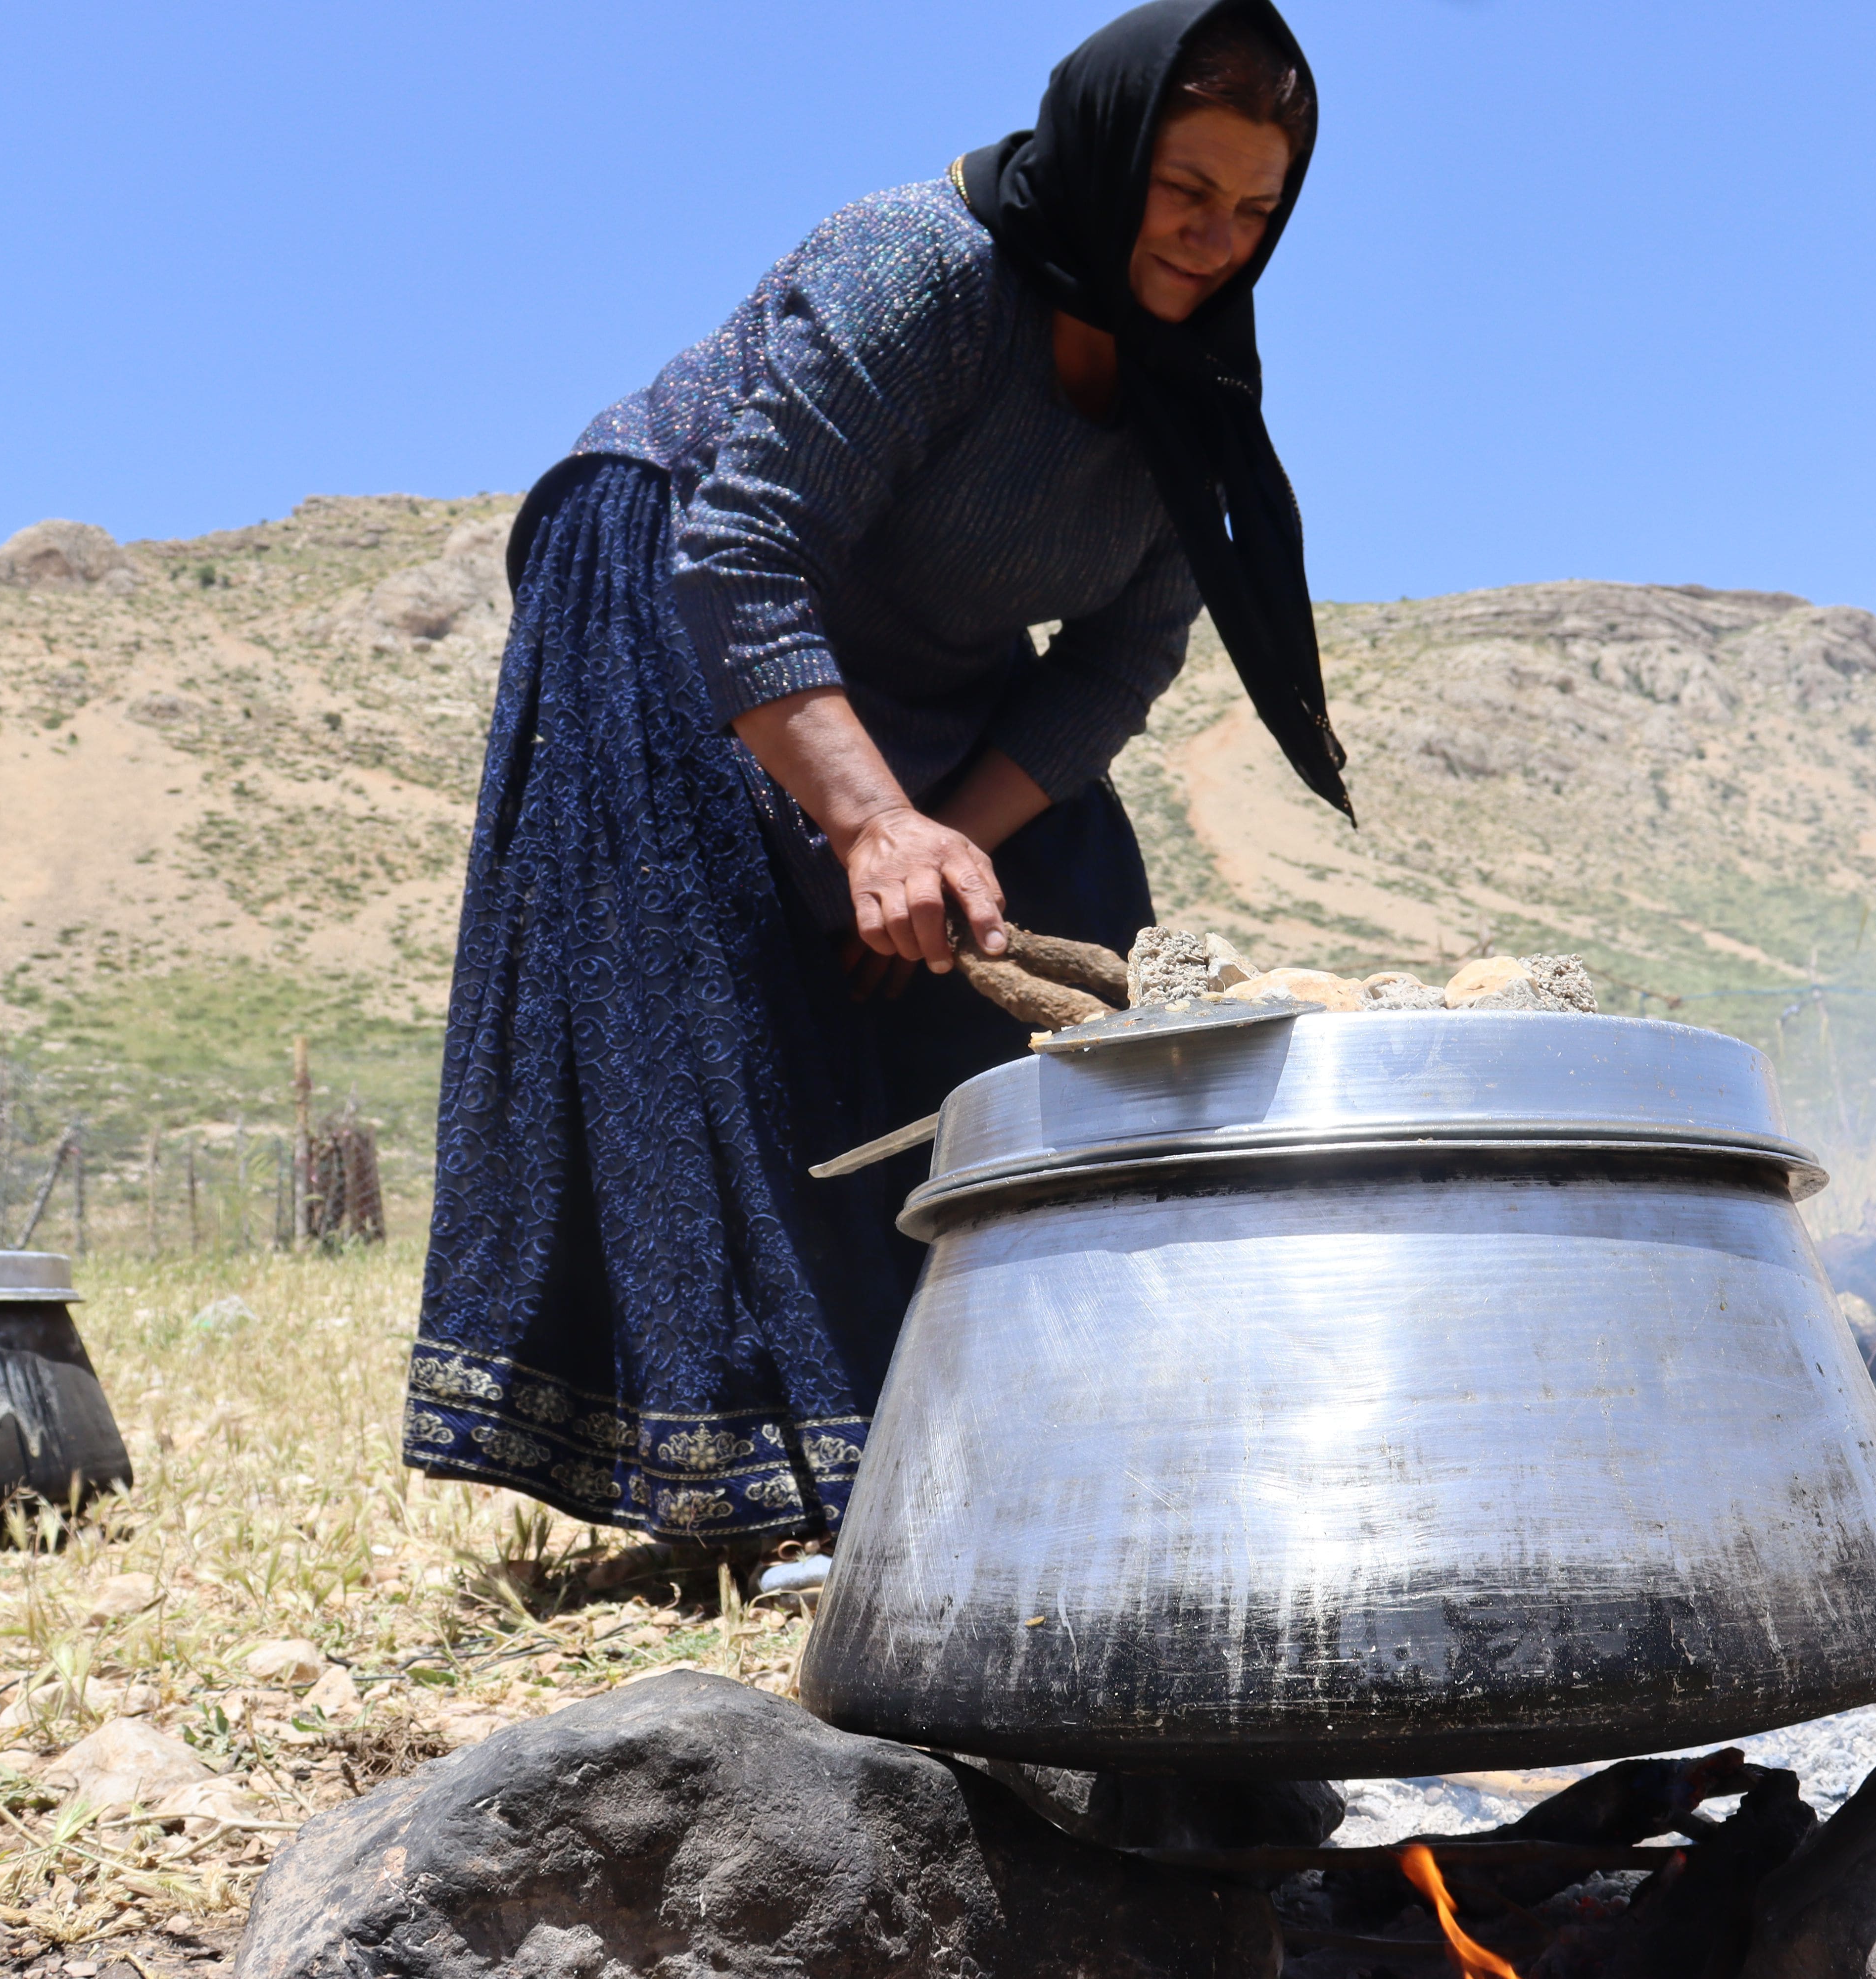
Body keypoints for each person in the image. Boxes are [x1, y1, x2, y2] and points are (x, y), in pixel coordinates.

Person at [402, 0, 1349, 1566]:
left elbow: (1114, 667)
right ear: (1108, 155)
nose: (1215, 239)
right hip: (674, 570)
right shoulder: (920, 267)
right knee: (717, 987)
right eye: (1187, 190)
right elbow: (742, 547)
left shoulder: (1194, 388)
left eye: (1257, 210)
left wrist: (944, 853)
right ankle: (767, 1481)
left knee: (1071, 907)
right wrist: (865, 820)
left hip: (915, 648)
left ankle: (1023, 1417)